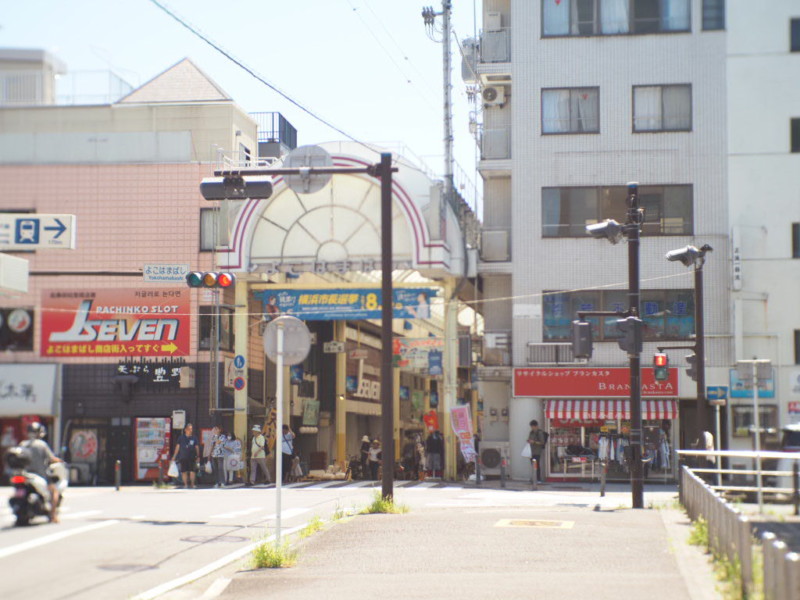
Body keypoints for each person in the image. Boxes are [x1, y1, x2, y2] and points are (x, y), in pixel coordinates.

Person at [21, 422, 64, 522]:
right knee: (54, 491)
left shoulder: (23, 444)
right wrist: (59, 460)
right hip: (40, 475)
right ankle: (53, 515)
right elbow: (51, 458)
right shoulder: (42, 445)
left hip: (24, 475)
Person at [172, 423, 201, 488]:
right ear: (185, 430)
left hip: (192, 457)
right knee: (184, 471)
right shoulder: (181, 438)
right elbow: (177, 447)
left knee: (192, 471)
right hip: (183, 457)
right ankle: (185, 485)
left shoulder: (194, 438)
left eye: (191, 429)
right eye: (189, 429)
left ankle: (192, 484)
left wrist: (198, 456)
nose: (190, 430)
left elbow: (197, 447)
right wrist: (174, 456)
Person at [527, 420, 547, 484]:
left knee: (537, 465)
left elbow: (542, 442)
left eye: (533, 426)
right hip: (531, 451)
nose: (532, 428)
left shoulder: (539, 433)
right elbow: (530, 438)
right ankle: (534, 478)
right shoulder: (531, 432)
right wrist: (529, 441)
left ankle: (538, 479)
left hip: (537, 451)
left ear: (536, 426)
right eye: (531, 427)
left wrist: (534, 442)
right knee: (533, 465)